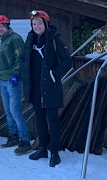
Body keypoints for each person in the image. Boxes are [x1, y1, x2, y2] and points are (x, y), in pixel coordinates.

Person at [23, 10, 72, 167]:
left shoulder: (54, 39)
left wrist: (54, 74)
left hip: (50, 87)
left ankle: (55, 153)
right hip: (35, 87)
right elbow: (24, 60)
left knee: (52, 119)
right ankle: (43, 148)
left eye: (39, 23)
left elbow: (67, 61)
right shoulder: (30, 40)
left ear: (46, 24)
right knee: (39, 119)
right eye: (34, 24)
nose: (36, 26)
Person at [0, 14, 32, 154]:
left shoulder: (15, 38)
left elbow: (19, 57)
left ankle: (25, 141)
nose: (0, 29)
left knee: (15, 111)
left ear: (7, 26)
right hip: (2, 80)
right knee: (8, 111)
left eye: (2, 26)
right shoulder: (2, 40)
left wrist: (16, 73)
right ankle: (13, 136)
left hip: (12, 80)